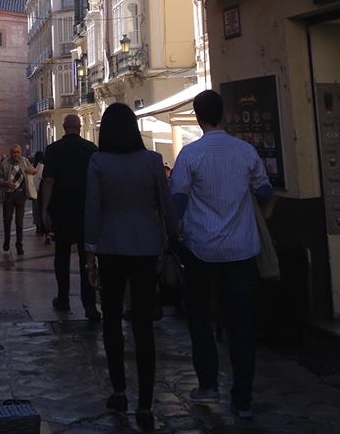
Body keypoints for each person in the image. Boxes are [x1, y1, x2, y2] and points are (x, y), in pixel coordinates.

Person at [170, 89, 274, 421]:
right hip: (242, 250)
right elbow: (264, 190)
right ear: (225, 114)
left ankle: (208, 383)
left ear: (199, 118)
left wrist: (177, 232)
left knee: (200, 317)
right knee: (242, 323)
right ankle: (242, 398)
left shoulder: (189, 155)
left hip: (201, 249)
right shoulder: (246, 151)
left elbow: (179, 202)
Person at [84, 102, 177, 432]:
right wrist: (170, 240)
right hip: (145, 249)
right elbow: (167, 207)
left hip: (110, 248)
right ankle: (146, 402)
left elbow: (92, 210)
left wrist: (90, 255)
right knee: (142, 325)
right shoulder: (152, 161)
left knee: (111, 318)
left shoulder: (98, 162)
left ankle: (119, 390)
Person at [42, 113, 99, 320]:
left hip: (61, 209)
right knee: (88, 257)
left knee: (62, 254)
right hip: (85, 209)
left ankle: (63, 297)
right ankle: (90, 305)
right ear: (80, 126)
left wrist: (44, 209)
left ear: (64, 127)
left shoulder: (53, 150)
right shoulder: (91, 149)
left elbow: (48, 181)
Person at [0, 143, 37, 255]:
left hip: (20, 194)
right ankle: (7, 241)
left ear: (20, 153)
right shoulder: (4, 163)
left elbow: (34, 170)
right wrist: (6, 183)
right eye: (13, 152)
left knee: (19, 221)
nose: (16, 154)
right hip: (8, 195)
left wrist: (31, 171)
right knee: (7, 219)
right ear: (10, 153)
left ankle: (19, 245)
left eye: (18, 152)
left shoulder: (24, 161)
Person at [32, 151, 45, 235]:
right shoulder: (42, 166)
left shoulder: (33, 166)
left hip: (34, 191)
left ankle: (38, 226)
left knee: (36, 209)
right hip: (42, 190)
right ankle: (42, 226)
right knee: (42, 208)